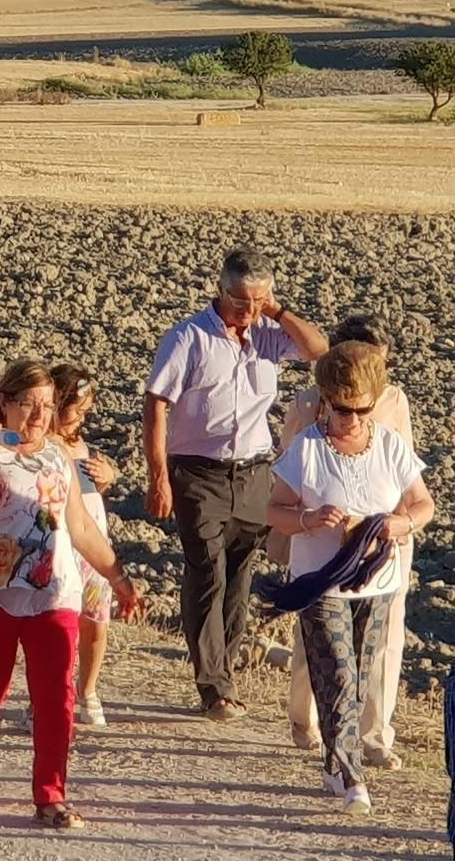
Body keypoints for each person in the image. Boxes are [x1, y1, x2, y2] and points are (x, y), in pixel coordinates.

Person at [0, 359, 142, 830]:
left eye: (47, 406)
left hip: (53, 590)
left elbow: (80, 526)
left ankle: (51, 794)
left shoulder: (57, 455)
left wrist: (118, 577)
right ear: (5, 403)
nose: (37, 415)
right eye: (28, 403)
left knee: (57, 695)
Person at [144, 248, 327, 719]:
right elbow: (156, 404)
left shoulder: (268, 333)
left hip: (252, 473)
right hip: (198, 472)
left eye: (260, 300)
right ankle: (213, 686)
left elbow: (318, 351)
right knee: (207, 571)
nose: (250, 311)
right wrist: (158, 474)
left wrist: (278, 312)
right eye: (243, 301)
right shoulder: (188, 338)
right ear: (221, 291)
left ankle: (224, 669)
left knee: (239, 574)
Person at [266, 341, 434, 816]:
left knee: (358, 676)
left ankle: (335, 760)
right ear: (326, 402)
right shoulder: (308, 448)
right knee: (337, 669)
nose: (352, 420)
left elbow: (424, 504)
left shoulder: (388, 444)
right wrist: (309, 519)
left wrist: (400, 525)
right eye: (343, 410)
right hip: (321, 583)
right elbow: (274, 510)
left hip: (377, 581)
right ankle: (352, 774)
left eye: (361, 410)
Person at [282, 313, 417, 765]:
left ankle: (374, 735)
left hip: (385, 541)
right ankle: (306, 719)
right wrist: (305, 522)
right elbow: (286, 478)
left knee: (384, 637)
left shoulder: (395, 402)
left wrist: (397, 525)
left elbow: (410, 477)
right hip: (319, 543)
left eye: (379, 367)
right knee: (318, 637)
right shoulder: (308, 406)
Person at [50, 362, 118, 727]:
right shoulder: (47, 445)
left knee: (96, 621)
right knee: (60, 624)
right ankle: (49, 694)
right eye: (77, 408)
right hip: (61, 544)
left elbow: (90, 492)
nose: (81, 417)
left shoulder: (81, 444)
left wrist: (106, 478)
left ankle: (87, 689)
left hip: (94, 542)